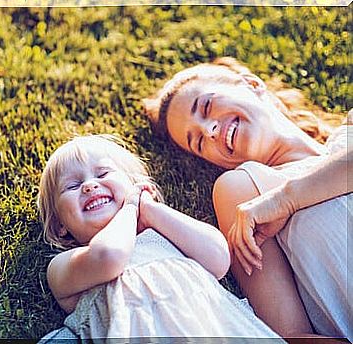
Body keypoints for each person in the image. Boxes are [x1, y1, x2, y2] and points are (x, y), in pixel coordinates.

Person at [142, 57, 351, 340]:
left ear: (252, 85)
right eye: (199, 143)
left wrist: (286, 200)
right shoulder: (245, 190)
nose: (209, 130)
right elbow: (292, 335)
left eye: (206, 106)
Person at [36, 134, 284, 339]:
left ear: (139, 188)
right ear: (60, 227)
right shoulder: (67, 264)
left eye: (102, 174)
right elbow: (109, 256)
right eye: (72, 186)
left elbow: (219, 258)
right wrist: (131, 208)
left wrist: (151, 209)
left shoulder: (165, 236)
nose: (89, 186)